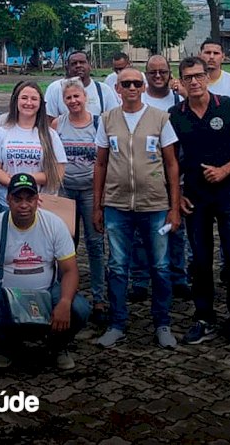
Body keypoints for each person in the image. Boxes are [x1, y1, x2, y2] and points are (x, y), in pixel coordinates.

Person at [169, 56, 230, 352]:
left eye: (198, 76)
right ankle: (204, 318)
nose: (194, 81)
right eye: (187, 77)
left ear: (207, 76)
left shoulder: (229, 107)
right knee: (201, 262)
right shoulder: (175, 114)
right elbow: (171, 162)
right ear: (180, 81)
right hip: (196, 199)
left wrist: (225, 171)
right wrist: (178, 195)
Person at [92, 67, 182, 349]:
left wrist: (174, 207)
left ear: (143, 88)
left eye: (136, 83)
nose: (131, 88)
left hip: (155, 204)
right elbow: (101, 164)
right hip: (117, 205)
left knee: (160, 266)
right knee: (118, 266)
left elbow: (171, 164)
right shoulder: (107, 120)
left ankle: (163, 322)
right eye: (125, 84)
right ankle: (117, 323)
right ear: (117, 89)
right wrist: (98, 206)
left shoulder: (160, 118)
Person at [0, 173, 90, 370]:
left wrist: (64, 302)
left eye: (30, 199)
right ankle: (6, 346)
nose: (24, 205)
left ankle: (58, 345)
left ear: (38, 200)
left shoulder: (54, 224)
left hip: (46, 292)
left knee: (79, 308)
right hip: (8, 297)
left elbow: (70, 270)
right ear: (8, 199)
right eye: (17, 199)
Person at [131, 55, 191, 302]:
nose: (158, 76)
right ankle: (140, 280)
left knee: (176, 229)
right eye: (152, 72)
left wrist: (185, 92)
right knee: (139, 232)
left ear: (170, 73)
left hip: (175, 173)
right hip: (144, 175)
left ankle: (178, 277)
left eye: (163, 72)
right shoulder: (138, 98)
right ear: (146, 74)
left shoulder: (178, 100)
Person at [52, 79, 106, 323]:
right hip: (65, 192)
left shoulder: (98, 123)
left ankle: (99, 298)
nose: (73, 101)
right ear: (64, 101)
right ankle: (67, 296)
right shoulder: (57, 124)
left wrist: (100, 199)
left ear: (85, 97)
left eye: (77, 97)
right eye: (68, 98)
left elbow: (104, 160)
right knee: (66, 248)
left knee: (95, 245)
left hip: (90, 191)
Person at [0, 81, 67, 213]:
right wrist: (15, 184)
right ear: (15, 101)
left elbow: (58, 173)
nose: (28, 103)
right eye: (24, 98)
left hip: (40, 204)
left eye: (34, 99)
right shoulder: (2, 132)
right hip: (8, 202)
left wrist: (24, 182)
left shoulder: (50, 135)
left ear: (40, 103)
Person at [44, 51, 120, 121]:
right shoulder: (55, 88)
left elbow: (113, 119)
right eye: (74, 63)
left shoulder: (104, 90)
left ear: (90, 66)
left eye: (82, 62)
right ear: (67, 68)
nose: (78, 66)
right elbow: (49, 120)